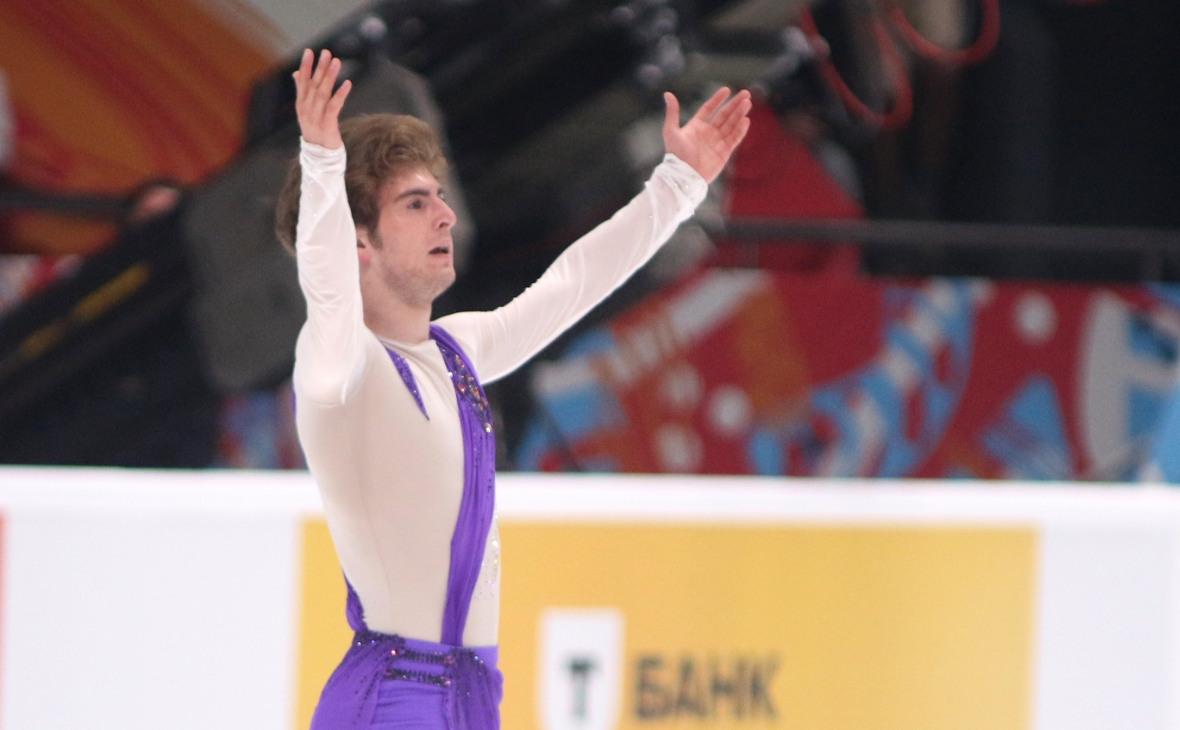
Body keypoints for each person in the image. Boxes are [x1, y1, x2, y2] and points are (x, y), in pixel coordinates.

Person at [277, 48, 750, 730]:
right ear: (358, 244)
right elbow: (326, 290)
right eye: (416, 203)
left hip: (472, 695)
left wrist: (678, 184)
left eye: (440, 197)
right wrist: (324, 163)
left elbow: (572, 285)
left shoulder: (457, 352)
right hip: (394, 698)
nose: (446, 216)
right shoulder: (340, 368)